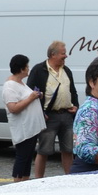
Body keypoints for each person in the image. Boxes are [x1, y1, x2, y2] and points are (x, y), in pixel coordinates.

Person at [27, 41, 79, 179]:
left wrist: (76, 106)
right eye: (63, 53)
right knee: (44, 151)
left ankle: (70, 179)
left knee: (68, 150)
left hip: (67, 115)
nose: (66, 56)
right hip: (48, 117)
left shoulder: (66, 70)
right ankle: (38, 180)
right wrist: (39, 113)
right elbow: (29, 93)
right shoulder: (39, 70)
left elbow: (73, 91)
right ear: (52, 54)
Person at [3, 54, 46, 181]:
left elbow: (26, 98)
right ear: (21, 69)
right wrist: (31, 97)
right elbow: (13, 108)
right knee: (22, 158)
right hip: (23, 129)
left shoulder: (20, 83)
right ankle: (16, 185)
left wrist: (36, 96)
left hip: (31, 128)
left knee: (27, 158)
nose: (28, 69)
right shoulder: (10, 86)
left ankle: (25, 183)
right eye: (27, 66)